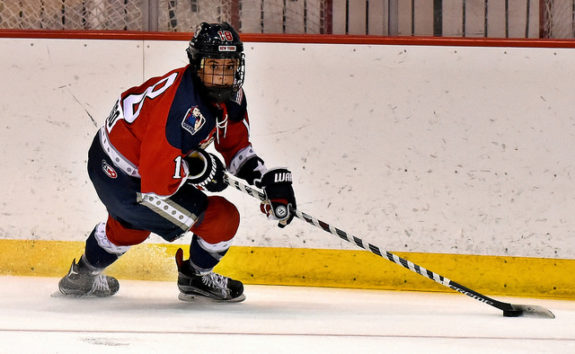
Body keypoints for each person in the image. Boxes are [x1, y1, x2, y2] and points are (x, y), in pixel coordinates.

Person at [58, 22, 296, 302]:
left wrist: (264, 179)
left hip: (117, 162)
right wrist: (196, 169)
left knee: (130, 228)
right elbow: (157, 183)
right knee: (221, 218)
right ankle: (195, 278)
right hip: (125, 176)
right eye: (214, 67)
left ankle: (80, 276)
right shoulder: (181, 108)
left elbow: (235, 145)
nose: (222, 77)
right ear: (196, 65)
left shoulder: (230, 96)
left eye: (229, 67)